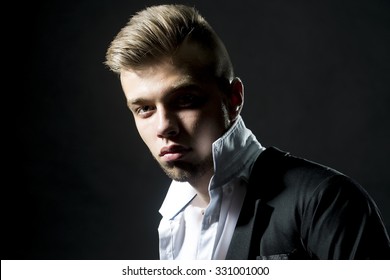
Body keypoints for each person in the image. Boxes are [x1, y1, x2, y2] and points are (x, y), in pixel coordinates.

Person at [104, 4, 390, 259]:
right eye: (144, 109)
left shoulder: (327, 202)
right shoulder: (172, 222)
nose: (164, 126)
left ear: (234, 98)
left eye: (185, 100)